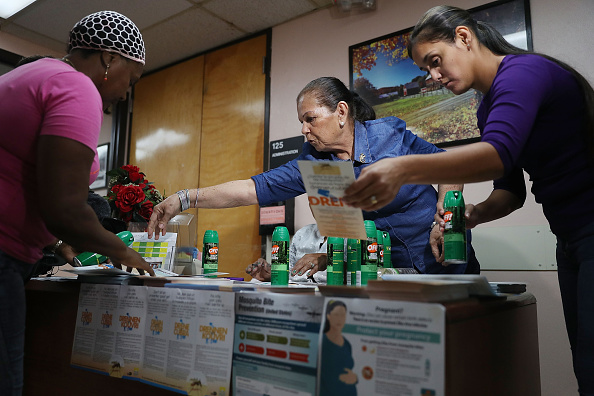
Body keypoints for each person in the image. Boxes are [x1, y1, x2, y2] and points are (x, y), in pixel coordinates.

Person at [343, 6, 594, 395]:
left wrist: (402, 169)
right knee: (585, 363)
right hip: (570, 238)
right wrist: (473, 215)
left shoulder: (522, 73)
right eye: (426, 69)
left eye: (435, 62)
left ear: (464, 37)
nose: (433, 76)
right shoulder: (486, 105)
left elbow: (497, 153)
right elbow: (510, 192)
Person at [148, 76, 479, 275]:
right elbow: (252, 189)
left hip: (444, 260)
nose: (304, 130)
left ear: (341, 112)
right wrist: (185, 198)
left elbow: (447, 167)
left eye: (310, 119)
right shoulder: (316, 165)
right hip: (388, 274)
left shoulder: (389, 136)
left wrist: (444, 223)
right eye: (300, 122)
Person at [0, 10, 155, 395]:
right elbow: (65, 207)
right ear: (109, 58)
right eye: (130, 80)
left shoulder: (33, 74)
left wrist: (54, 239)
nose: (125, 93)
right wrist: (123, 251)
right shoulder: (77, 87)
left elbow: (35, 181)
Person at [246, 223, 328, 283]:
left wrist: (330, 259)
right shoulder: (303, 233)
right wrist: (273, 275)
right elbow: (290, 273)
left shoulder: (340, 237)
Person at [320, 300, 357, 396]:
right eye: (336, 315)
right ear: (328, 316)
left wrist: (355, 379)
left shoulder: (347, 344)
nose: (339, 319)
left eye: (342, 315)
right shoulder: (322, 342)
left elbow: (348, 371)